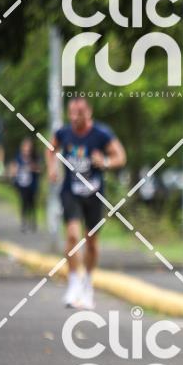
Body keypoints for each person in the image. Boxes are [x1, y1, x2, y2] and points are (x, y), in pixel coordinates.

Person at [46, 98, 126, 309]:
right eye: (71, 113)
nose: (74, 117)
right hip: (70, 191)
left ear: (88, 113)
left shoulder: (101, 134)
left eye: (79, 113)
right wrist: (52, 168)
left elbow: (120, 156)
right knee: (73, 235)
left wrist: (105, 162)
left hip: (94, 193)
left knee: (91, 241)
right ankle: (73, 282)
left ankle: (87, 284)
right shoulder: (64, 133)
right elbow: (51, 149)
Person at [10, 137, 40, 231]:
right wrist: (14, 173)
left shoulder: (34, 157)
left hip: (32, 185)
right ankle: (24, 222)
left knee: (32, 204)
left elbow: (39, 169)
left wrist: (32, 168)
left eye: (28, 147)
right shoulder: (18, 157)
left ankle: (33, 221)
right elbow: (14, 168)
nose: (26, 149)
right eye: (25, 147)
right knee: (23, 203)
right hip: (21, 184)